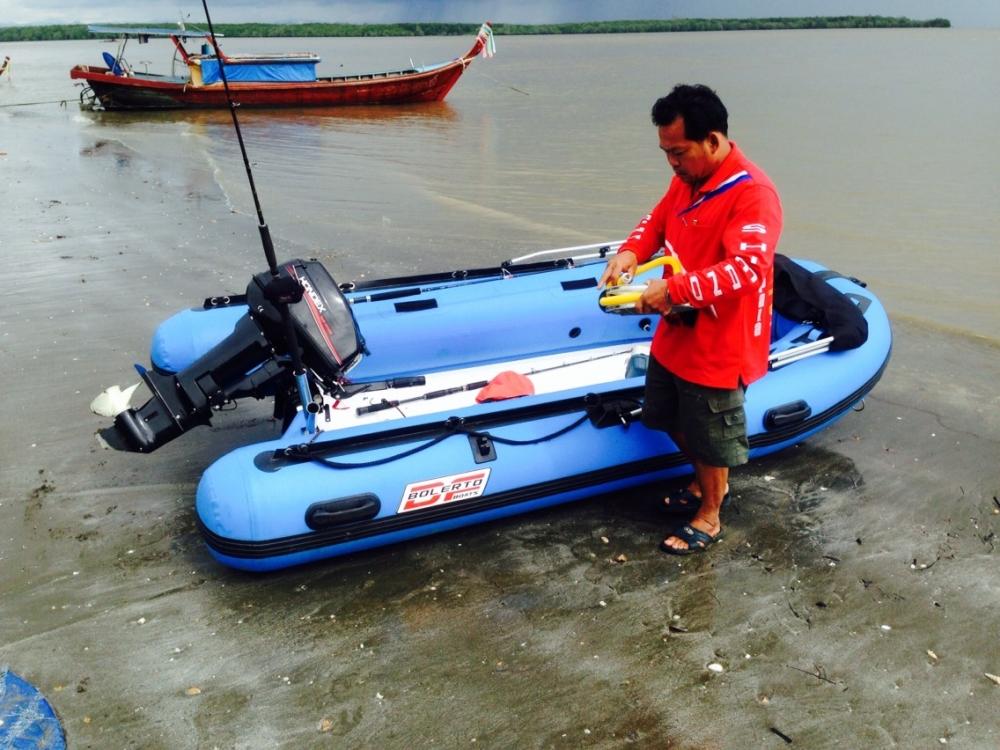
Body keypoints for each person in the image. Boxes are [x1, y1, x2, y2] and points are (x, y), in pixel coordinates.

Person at [599, 83, 782, 555]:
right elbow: (656, 220)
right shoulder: (687, 179)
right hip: (676, 330)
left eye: (679, 152)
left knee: (710, 436)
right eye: (666, 152)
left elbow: (748, 269)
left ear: (714, 140)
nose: (672, 163)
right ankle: (705, 485)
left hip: (719, 341)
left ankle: (710, 514)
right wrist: (629, 253)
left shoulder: (753, 194)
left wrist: (673, 289)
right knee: (665, 417)